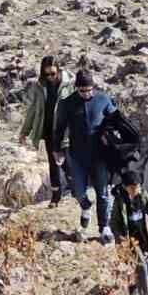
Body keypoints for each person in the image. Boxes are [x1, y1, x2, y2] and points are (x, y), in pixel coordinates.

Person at [51, 69, 118, 243]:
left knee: (103, 192)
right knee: (78, 190)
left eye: (89, 90)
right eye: (82, 91)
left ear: (93, 87)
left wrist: (112, 136)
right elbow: (59, 128)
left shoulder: (103, 99)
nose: (86, 94)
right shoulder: (67, 103)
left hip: (100, 155)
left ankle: (104, 227)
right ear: (76, 89)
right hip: (77, 155)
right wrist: (56, 149)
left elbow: (116, 120)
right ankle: (85, 206)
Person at [17, 55, 73, 209]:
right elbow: (33, 109)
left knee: (68, 162)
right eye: (46, 74)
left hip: (64, 130)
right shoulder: (39, 86)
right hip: (47, 129)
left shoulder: (68, 85)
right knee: (53, 163)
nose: (50, 77)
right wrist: (24, 131)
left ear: (59, 70)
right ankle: (56, 196)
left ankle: (76, 190)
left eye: (53, 74)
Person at [109, 169, 148, 293]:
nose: (135, 190)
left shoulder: (143, 195)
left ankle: (134, 288)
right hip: (128, 238)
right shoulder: (119, 201)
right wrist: (120, 239)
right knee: (140, 265)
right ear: (126, 187)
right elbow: (114, 223)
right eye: (132, 188)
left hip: (142, 235)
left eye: (136, 187)